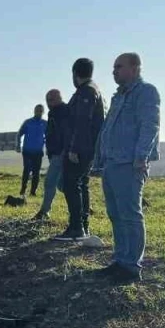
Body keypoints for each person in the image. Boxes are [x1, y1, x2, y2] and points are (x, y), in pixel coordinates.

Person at [93, 52, 161, 282]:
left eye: (119, 67)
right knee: (115, 214)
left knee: (130, 215)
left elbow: (150, 125)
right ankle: (120, 260)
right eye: (113, 68)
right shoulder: (117, 97)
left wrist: (141, 156)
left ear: (135, 68)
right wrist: (99, 158)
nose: (114, 71)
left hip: (130, 164)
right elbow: (107, 129)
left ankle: (131, 266)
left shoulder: (146, 92)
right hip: (111, 163)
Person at [56, 58, 106, 241]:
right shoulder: (91, 90)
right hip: (87, 147)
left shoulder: (86, 92)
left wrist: (74, 148)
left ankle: (76, 227)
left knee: (71, 185)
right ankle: (82, 227)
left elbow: (82, 123)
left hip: (81, 148)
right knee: (81, 185)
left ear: (75, 73)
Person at [34, 90, 69, 221]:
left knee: (50, 182)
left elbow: (65, 132)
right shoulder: (53, 113)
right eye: (47, 100)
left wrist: (62, 150)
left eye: (52, 99)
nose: (49, 103)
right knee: (62, 185)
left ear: (59, 98)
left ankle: (44, 211)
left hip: (61, 153)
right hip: (55, 153)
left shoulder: (63, 112)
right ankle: (83, 205)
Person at [17, 104, 47, 196]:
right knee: (26, 170)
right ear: (34, 111)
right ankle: (23, 190)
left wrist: (47, 145)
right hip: (27, 151)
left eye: (40, 110)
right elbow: (19, 134)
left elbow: (49, 136)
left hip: (38, 152)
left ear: (43, 112)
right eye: (37, 110)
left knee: (36, 172)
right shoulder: (28, 122)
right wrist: (18, 145)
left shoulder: (45, 123)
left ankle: (33, 192)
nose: (39, 112)